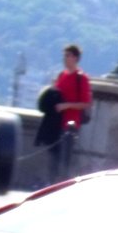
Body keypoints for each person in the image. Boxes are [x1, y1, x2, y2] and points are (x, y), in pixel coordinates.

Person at [44, 44, 92, 185]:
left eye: (68, 55)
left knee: (64, 157)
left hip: (70, 124)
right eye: (65, 55)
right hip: (57, 122)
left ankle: (61, 184)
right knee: (53, 155)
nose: (65, 58)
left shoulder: (81, 78)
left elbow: (86, 102)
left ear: (75, 58)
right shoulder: (62, 75)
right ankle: (51, 183)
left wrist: (67, 106)